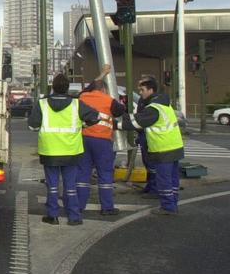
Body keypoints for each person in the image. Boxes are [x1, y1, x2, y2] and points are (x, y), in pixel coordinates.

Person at [29, 73, 101, 225]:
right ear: (68, 87)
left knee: (52, 185)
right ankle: (74, 216)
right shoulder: (77, 104)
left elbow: (32, 126)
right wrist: (83, 125)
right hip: (71, 151)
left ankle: (52, 215)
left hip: (49, 151)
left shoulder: (42, 104)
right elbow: (96, 117)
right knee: (70, 185)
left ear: (53, 87)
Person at [125, 75, 184, 215]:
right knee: (173, 178)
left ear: (150, 90)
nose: (140, 92)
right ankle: (173, 202)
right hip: (175, 146)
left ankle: (168, 207)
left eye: (142, 89)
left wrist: (116, 123)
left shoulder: (153, 108)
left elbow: (138, 122)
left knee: (163, 179)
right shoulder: (164, 104)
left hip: (163, 148)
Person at [76, 65, 127, 216]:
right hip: (102, 141)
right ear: (104, 90)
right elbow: (120, 111)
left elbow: (91, 86)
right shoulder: (109, 100)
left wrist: (102, 74)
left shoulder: (82, 97)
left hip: (84, 139)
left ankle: (79, 205)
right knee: (105, 174)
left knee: (82, 173)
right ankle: (107, 207)